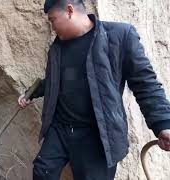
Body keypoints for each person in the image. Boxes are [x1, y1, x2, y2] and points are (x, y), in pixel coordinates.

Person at [17, 0, 170, 179]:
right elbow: (55, 81)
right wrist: (32, 93)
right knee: (42, 172)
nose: (52, 28)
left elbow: (145, 83)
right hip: (60, 129)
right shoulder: (57, 48)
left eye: (52, 20)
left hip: (98, 135)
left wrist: (163, 124)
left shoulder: (120, 36)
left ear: (69, 11)